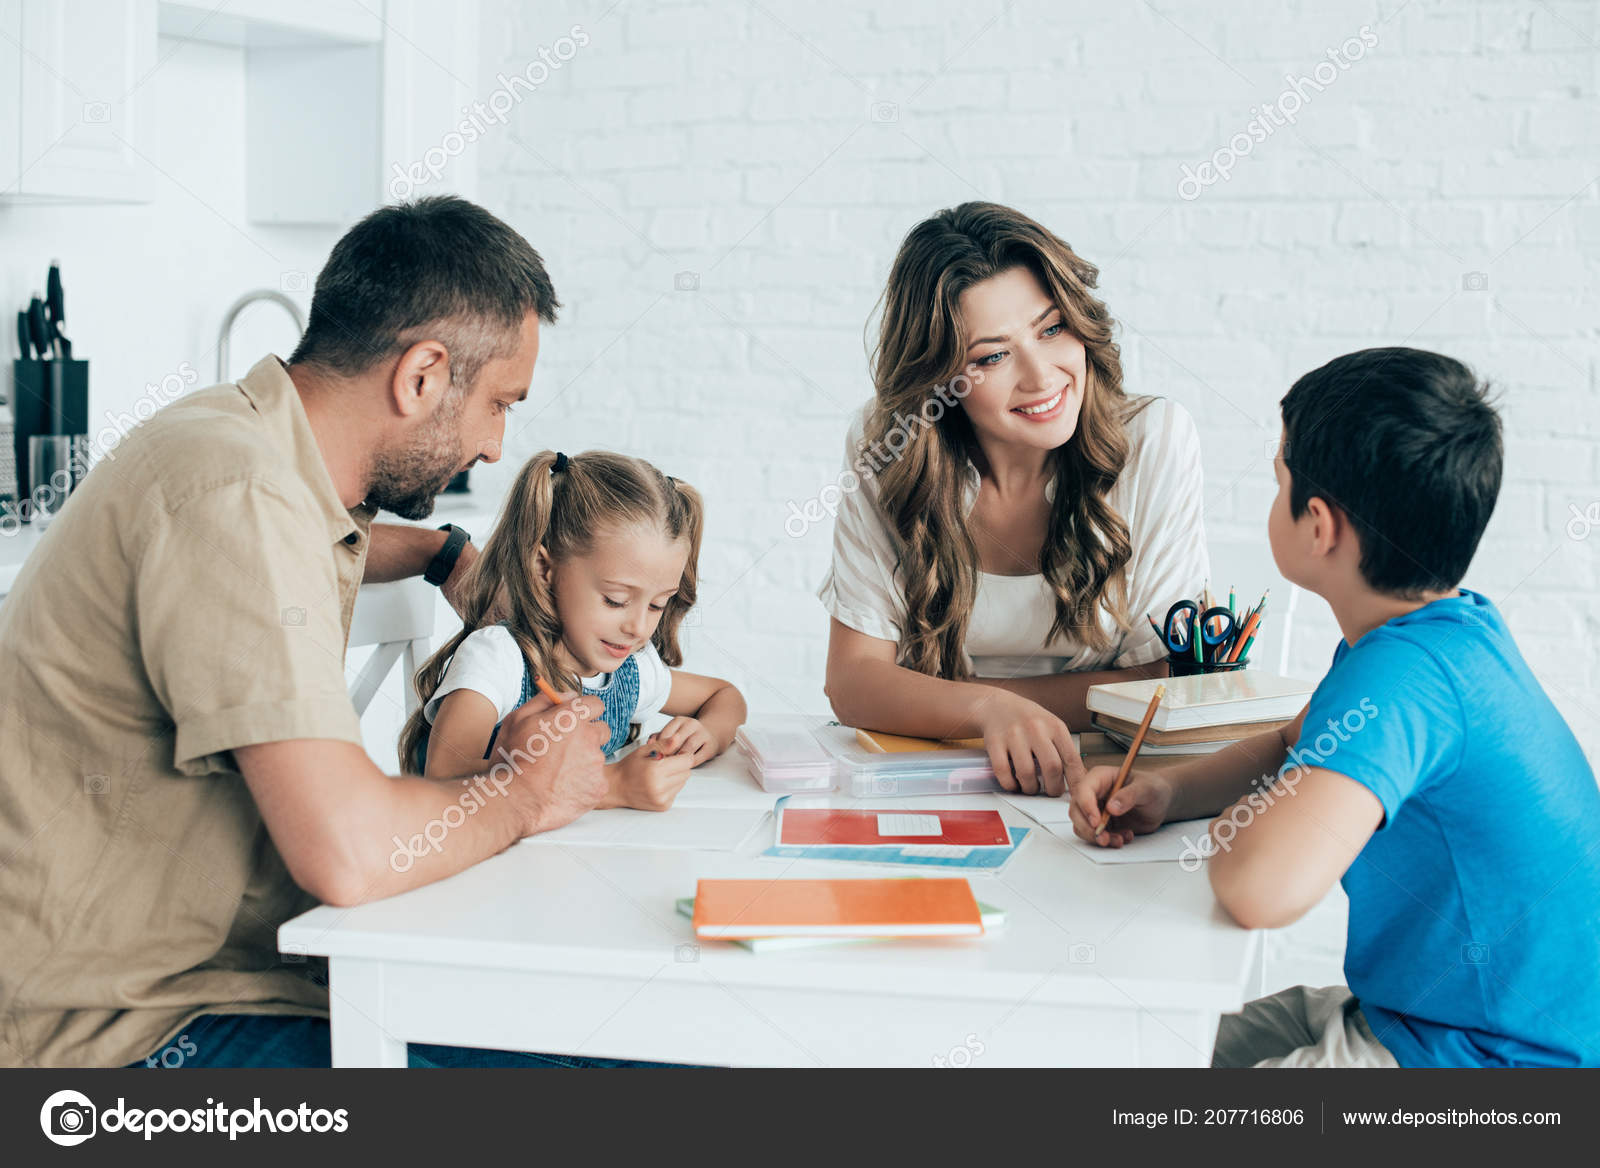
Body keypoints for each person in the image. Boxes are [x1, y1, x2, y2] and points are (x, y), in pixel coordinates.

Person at [0, 196, 663, 1068]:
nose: (497, 446)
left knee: (624, 1047)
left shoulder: (244, 447)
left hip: (257, 974)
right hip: (120, 1035)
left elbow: (302, 548)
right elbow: (347, 854)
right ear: (422, 376)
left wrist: (441, 554)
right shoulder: (236, 491)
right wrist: (525, 792)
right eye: (499, 405)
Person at [1071, 347, 1600, 1067]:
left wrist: (1241, 829)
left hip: (1487, 1058)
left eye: (1278, 482)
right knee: (1141, 1045)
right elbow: (1289, 745)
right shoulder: (1439, 635)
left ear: (1318, 525)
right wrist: (1168, 793)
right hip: (1422, 1018)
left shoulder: (1404, 678)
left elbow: (1259, 891)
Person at [821, 201, 1207, 796]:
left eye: (1052, 329)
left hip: (1106, 777)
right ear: (939, 379)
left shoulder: (1153, 439)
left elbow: (1166, 682)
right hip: (932, 777)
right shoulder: (891, 444)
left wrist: (942, 700)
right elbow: (852, 684)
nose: (1042, 376)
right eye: (992, 356)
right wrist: (987, 711)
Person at [401, 449, 747, 810]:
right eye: (615, 600)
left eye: (657, 605)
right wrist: (613, 786)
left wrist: (707, 734)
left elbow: (725, 696)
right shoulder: (497, 659)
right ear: (544, 569)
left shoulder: (630, 671)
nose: (638, 627)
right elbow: (444, 778)